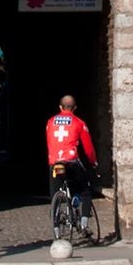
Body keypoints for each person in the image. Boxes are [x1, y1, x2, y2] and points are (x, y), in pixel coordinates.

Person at [45, 94, 100, 230]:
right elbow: (88, 148)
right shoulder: (78, 122)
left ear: (60, 107)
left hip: (55, 162)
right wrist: (92, 162)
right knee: (85, 190)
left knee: (55, 194)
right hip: (71, 161)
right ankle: (84, 223)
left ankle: (56, 227)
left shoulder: (50, 122)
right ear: (75, 108)